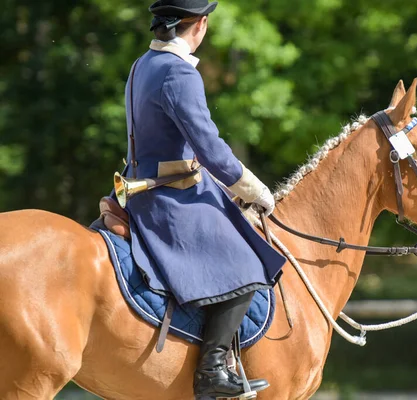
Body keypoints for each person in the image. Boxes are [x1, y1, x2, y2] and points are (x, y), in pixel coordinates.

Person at [115, 0, 286, 397]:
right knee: (246, 260)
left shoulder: (143, 64)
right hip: (167, 198)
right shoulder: (178, 73)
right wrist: (256, 190)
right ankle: (211, 370)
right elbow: (209, 148)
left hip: (141, 184)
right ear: (201, 24)